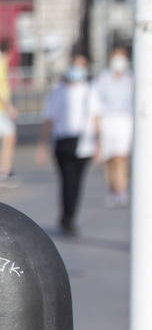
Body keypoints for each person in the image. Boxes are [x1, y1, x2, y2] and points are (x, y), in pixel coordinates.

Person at [37, 53, 98, 235]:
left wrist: (98, 142)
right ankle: (66, 218)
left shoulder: (90, 91)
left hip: (84, 142)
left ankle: (70, 216)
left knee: (77, 182)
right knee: (67, 180)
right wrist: (42, 143)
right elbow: (49, 119)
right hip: (63, 141)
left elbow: (96, 117)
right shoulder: (58, 91)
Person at [93, 43, 135, 206]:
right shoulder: (103, 78)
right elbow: (96, 103)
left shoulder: (131, 78)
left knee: (120, 156)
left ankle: (121, 190)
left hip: (125, 120)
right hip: (107, 120)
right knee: (109, 158)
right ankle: (112, 188)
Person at [0, 39, 17, 186]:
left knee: (9, 136)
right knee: (10, 136)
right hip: (0, 109)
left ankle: (5, 169)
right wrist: (9, 106)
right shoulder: (1, 63)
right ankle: (5, 171)